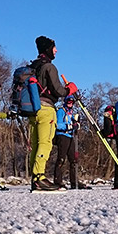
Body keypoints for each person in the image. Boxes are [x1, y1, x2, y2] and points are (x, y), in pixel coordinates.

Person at [29, 35, 77, 191]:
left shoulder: (33, 66)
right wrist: (70, 89)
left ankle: (35, 177)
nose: (56, 50)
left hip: (33, 110)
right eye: (54, 47)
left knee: (36, 144)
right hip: (46, 109)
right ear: (48, 49)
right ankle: (39, 177)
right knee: (45, 143)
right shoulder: (49, 67)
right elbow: (58, 90)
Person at [53, 95, 80, 190]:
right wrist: (68, 126)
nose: (70, 103)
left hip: (70, 136)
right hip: (62, 135)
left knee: (73, 159)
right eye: (69, 101)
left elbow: (73, 123)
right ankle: (57, 181)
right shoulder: (61, 111)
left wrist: (76, 125)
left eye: (72, 102)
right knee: (61, 158)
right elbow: (57, 124)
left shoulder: (71, 113)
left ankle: (74, 181)